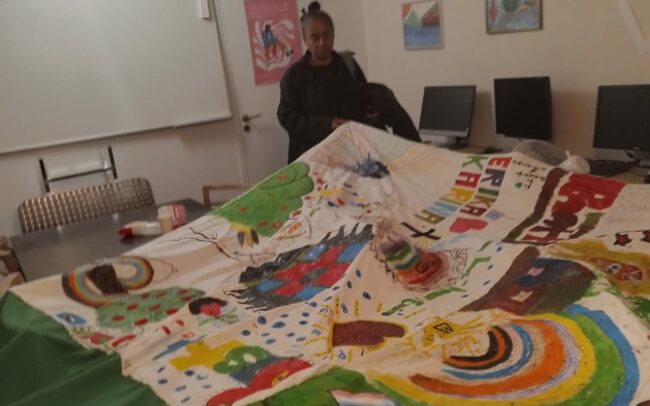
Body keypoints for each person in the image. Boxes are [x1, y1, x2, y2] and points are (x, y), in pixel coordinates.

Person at [277, 1, 420, 163]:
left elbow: (361, 95)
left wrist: (370, 110)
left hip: (352, 152)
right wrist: (327, 125)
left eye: (326, 35)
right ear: (305, 39)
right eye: (315, 37)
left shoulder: (347, 64)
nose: (321, 42)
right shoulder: (294, 77)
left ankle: (416, 153)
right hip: (315, 158)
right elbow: (288, 118)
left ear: (333, 35)